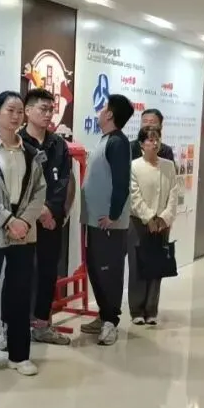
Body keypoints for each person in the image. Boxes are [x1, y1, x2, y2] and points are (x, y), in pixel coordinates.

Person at [0, 91, 47, 378]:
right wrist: (7, 220)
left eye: (20, 111)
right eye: (10, 110)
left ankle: (19, 355)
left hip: (24, 233)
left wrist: (24, 222)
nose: (16, 116)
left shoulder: (30, 152)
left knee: (20, 293)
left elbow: (40, 191)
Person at [18, 87, 73, 346]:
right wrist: (37, 212)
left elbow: (63, 181)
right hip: (22, 222)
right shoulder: (17, 141)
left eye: (51, 109)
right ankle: (12, 328)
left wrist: (49, 210)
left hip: (51, 220)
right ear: (27, 111)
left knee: (48, 271)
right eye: (43, 108)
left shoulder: (58, 144)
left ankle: (42, 325)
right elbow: (16, 184)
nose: (48, 114)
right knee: (19, 274)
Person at [80, 93, 135, 345]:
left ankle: (111, 322)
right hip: (95, 221)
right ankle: (104, 316)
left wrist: (113, 215)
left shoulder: (118, 143)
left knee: (109, 272)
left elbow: (122, 183)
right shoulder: (106, 140)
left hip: (108, 223)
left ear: (110, 114)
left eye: (103, 108)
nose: (100, 111)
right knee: (96, 269)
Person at [127, 126, 179, 325]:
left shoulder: (168, 166)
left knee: (157, 265)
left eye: (157, 139)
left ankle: (151, 310)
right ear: (141, 144)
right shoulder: (134, 166)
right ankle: (137, 310)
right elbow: (134, 196)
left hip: (162, 223)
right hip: (139, 222)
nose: (154, 143)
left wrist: (164, 218)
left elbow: (173, 193)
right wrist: (149, 218)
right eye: (150, 140)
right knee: (138, 265)